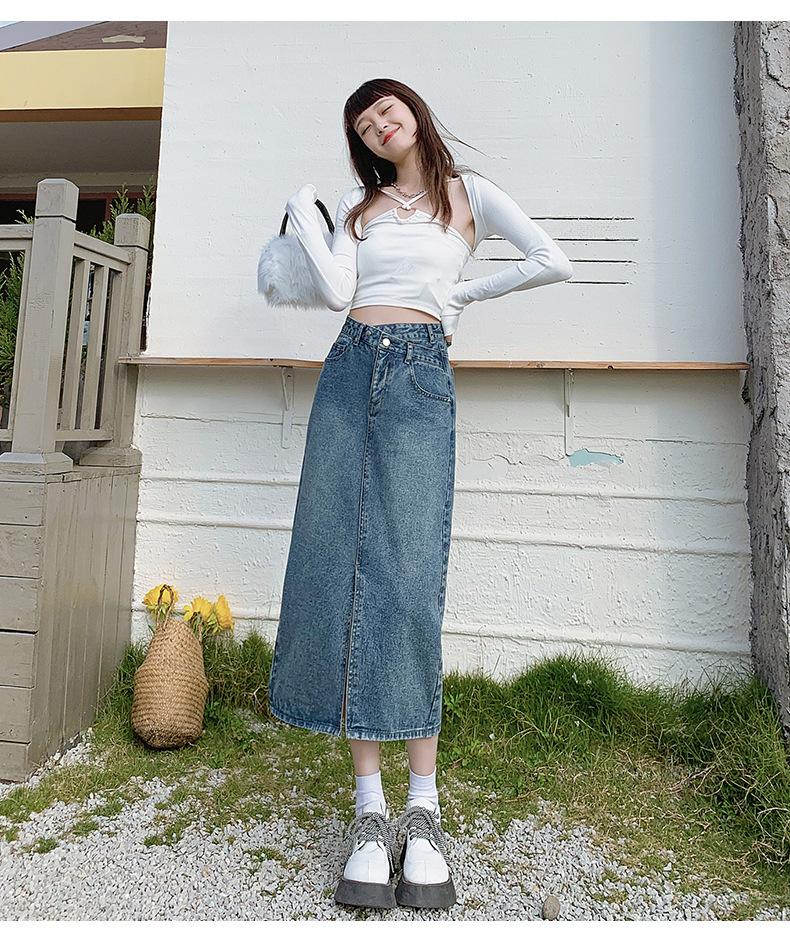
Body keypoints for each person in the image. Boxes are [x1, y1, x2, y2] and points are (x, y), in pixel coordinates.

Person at [266, 77, 573, 911]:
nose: (378, 125)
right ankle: (369, 812)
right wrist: (306, 216)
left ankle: (423, 808)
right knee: (337, 566)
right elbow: (338, 292)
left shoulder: (469, 195)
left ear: (412, 112)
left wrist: (462, 295)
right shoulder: (358, 210)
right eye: (364, 124)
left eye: (386, 110)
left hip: (418, 379)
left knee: (406, 583)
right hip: (346, 371)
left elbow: (553, 259)